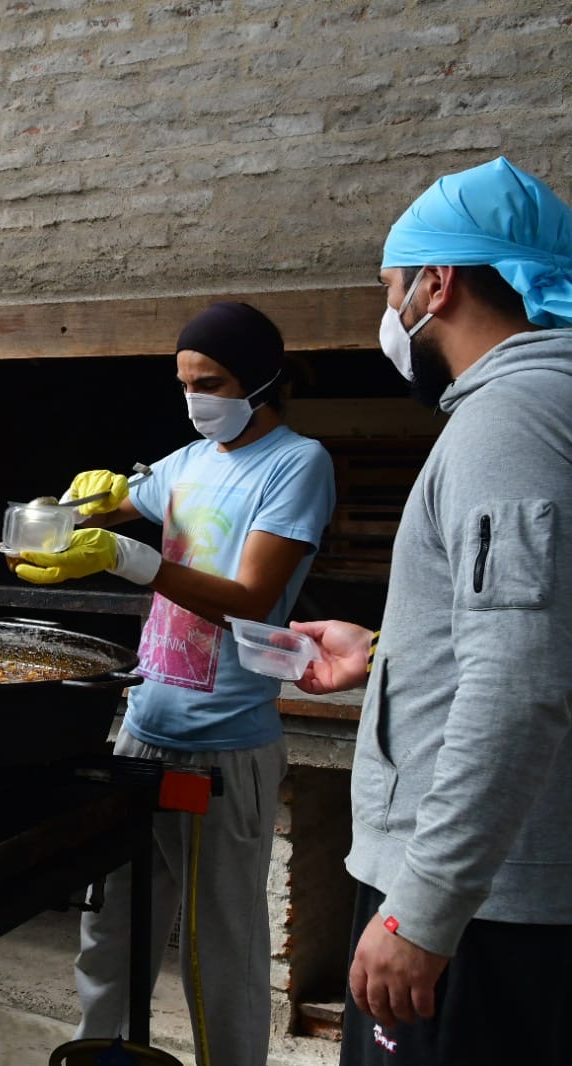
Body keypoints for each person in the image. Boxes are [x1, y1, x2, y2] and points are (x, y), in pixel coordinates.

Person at [291, 156, 572, 1064]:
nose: (389, 314)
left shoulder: (512, 421)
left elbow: (520, 684)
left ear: (434, 284)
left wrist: (423, 905)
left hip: (481, 907)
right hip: (495, 888)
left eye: (389, 289)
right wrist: (384, 651)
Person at [12, 302, 336, 1065]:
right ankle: (100, 1060)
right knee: (111, 930)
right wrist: (66, 514)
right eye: (184, 383)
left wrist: (127, 559)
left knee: (216, 950)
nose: (195, 400)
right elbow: (110, 503)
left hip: (219, 749)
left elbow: (252, 597)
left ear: (260, 380)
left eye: (211, 382)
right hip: (142, 732)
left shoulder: (296, 463)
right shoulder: (185, 464)